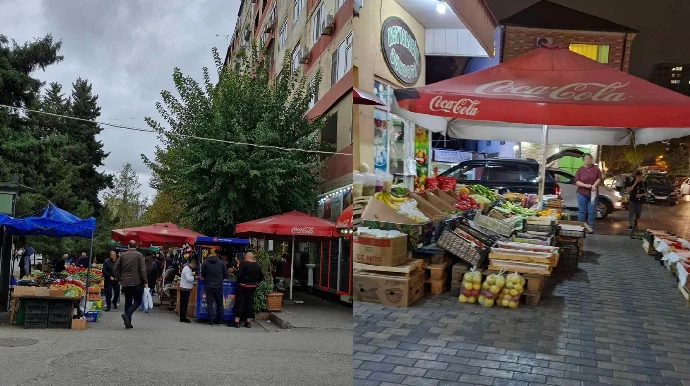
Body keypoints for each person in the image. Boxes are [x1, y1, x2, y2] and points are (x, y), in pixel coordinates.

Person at [113, 240, 148, 329]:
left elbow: (115, 268)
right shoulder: (139, 255)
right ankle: (127, 314)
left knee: (128, 301)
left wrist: (119, 278)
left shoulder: (122, 255)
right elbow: (143, 270)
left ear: (128, 246)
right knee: (138, 300)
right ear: (136, 246)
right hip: (136, 282)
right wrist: (145, 282)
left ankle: (128, 323)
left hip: (125, 282)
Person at [231, 252, 264, 328]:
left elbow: (239, 275)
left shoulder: (244, 264)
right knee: (250, 303)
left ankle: (237, 322)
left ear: (246, 257)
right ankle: (248, 322)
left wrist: (234, 271)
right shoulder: (257, 265)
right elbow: (261, 277)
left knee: (240, 302)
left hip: (243, 286)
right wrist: (255, 282)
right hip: (252, 287)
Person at [574, 154, 602, 231]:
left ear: (591, 159)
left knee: (591, 211)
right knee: (582, 211)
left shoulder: (596, 168)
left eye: (589, 158)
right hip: (581, 193)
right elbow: (577, 181)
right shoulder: (580, 169)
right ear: (583, 160)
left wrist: (594, 185)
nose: (588, 160)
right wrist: (586, 185)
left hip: (593, 194)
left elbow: (599, 178)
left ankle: (590, 228)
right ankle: (580, 227)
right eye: (586, 159)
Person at [200, 251, 227, 326]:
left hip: (209, 286)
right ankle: (220, 321)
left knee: (210, 303)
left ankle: (210, 321)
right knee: (219, 303)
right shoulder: (221, 262)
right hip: (219, 286)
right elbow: (225, 274)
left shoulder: (205, 262)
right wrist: (220, 279)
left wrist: (207, 279)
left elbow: (202, 273)